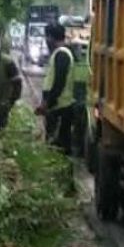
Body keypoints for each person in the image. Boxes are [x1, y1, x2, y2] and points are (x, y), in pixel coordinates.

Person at [35, 23, 76, 154]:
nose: (46, 41)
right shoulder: (59, 53)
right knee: (56, 145)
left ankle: (60, 174)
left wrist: (47, 103)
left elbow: (59, 83)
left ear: (51, 37)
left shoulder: (62, 54)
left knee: (58, 147)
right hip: (58, 107)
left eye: (47, 37)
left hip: (60, 108)